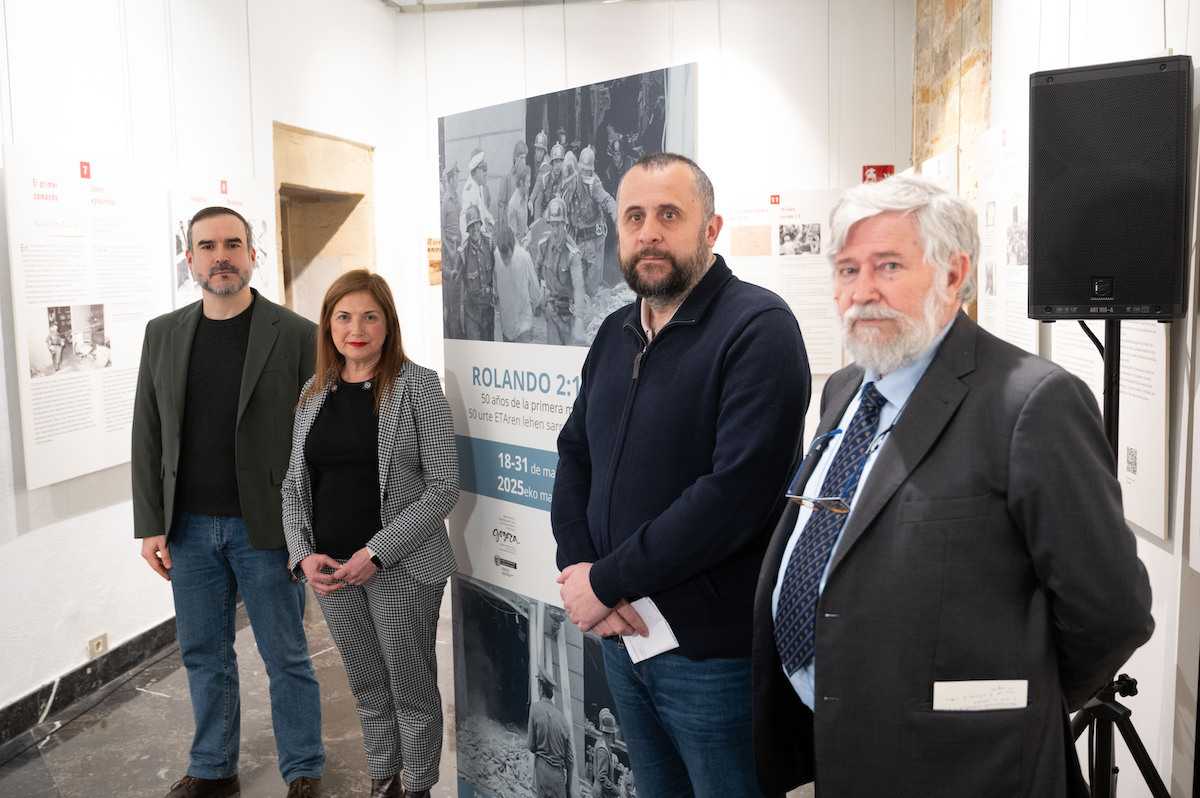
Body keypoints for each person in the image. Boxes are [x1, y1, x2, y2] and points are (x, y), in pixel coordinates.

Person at [752, 173, 1155, 797]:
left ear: (951, 273)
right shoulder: (844, 389)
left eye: (888, 266)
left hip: (960, 769)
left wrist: (1010, 704)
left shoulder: (1032, 404)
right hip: (830, 748)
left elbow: (1111, 612)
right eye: (847, 269)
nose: (862, 292)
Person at [552, 153, 810, 797]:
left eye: (670, 214)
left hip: (710, 657)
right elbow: (575, 453)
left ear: (711, 229)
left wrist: (606, 580)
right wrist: (582, 570)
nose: (649, 233)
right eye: (634, 217)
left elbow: (736, 495)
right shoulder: (614, 334)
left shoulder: (757, 328)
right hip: (623, 639)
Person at [132, 206, 324, 798]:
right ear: (189, 259)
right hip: (187, 528)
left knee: (286, 655)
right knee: (202, 654)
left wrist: (311, 529)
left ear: (252, 255)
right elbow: (148, 431)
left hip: (265, 526)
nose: (222, 256)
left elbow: (317, 435)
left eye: (233, 244)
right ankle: (214, 768)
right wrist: (150, 524)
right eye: (208, 246)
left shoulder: (294, 334)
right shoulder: (163, 333)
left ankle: (303, 770)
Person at [282, 269, 459, 798]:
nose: (355, 328)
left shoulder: (417, 386)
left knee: (410, 686)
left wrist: (376, 554)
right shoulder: (313, 394)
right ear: (328, 326)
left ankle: (419, 786)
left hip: (401, 567)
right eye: (343, 316)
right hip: (332, 570)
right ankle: (385, 779)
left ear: (388, 324)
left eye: (368, 316)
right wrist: (302, 554)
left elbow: (444, 485)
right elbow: (294, 483)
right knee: (366, 684)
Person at [562, 145, 617, 297]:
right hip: (578, 240)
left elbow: (607, 200)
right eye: (583, 171)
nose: (586, 174)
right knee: (577, 281)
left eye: (589, 171)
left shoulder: (594, 184)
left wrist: (617, 216)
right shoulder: (569, 186)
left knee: (592, 286)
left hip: (594, 240)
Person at [533, 198, 585, 346]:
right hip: (552, 312)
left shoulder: (572, 254)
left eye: (558, 225)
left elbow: (579, 287)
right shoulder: (543, 246)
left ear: (565, 225)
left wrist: (580, 319)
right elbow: (536, 271)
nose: (555, 231)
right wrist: (538, 297)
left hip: (569, 315)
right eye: (553, 225)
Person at [527, 666, 574, 798]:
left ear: (541, 688)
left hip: (542, 771)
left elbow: (530, 746)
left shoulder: (535, 709)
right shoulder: (564, 721)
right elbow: (570, 761)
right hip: (559, 777)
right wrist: (568, 789)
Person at [494, 225, 542, 343]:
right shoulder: (496, 255)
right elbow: (495, 279)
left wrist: (536, 302)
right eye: (502, 256)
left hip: (523, 321)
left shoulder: (524, 257)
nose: (505, 260)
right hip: (506, 321)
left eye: (508, 256)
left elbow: (534, 285)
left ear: (513, 247)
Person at [459, 205, 496, 341]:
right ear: (468, 229)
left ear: (480, 225)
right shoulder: (463, 252)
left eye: (477, 224)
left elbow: (495, 270)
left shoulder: (489, 243)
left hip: (488, 310)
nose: (475, 229)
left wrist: (493, 288)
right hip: (472, 313)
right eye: (471, 225)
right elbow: (460, 284)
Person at [440, 161, 465, 339]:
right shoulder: (445, 202)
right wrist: (449, 251)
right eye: (455, 177)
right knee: (449, 302)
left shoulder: (456, 198)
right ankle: (452, 335)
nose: (457, 180)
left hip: (458, 250)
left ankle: (457, 332)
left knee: (457, 298)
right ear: (450, 179)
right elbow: (440, 230)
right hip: (449, 254)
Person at [459, 149, 495, 239]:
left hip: (481, 236)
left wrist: (492, 221)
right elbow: (463, 220)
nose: (485, 173)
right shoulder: (469, 191)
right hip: (474, 239)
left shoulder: (479, 186)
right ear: (477, 171)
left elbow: (482, 208)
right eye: (483, 169)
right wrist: (468, 242)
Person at [590, 708, 620, 798]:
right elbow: (602, 777)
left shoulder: (603, 743)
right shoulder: (603, 749)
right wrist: (617, 791)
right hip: (601, 794)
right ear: (612, 733)